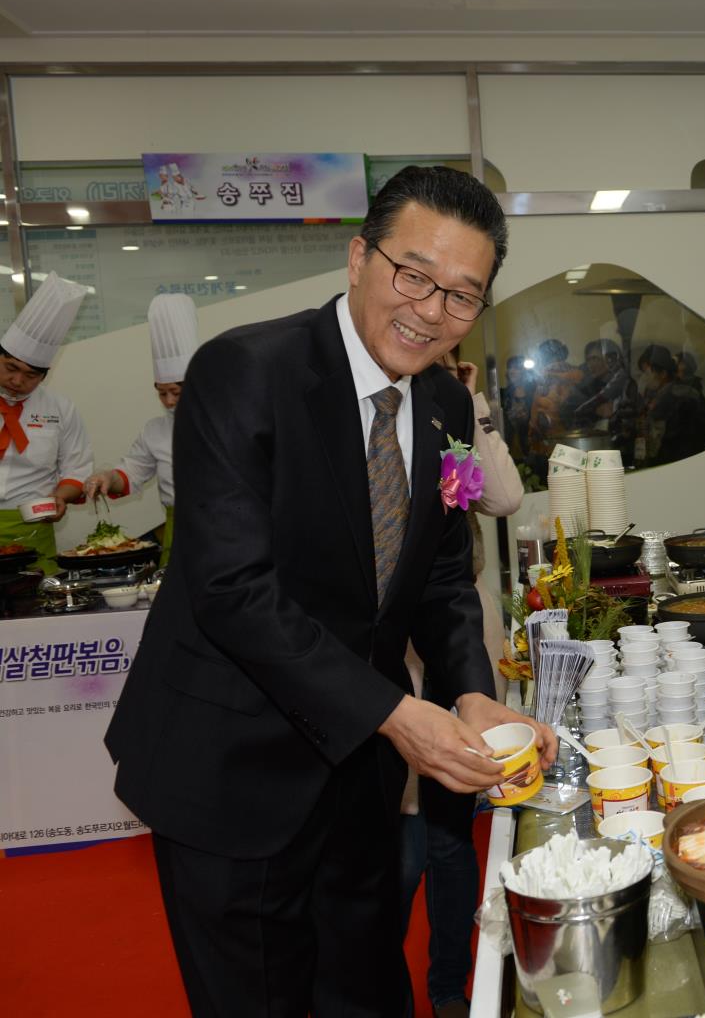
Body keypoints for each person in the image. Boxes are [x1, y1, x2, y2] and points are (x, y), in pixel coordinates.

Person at [104, 165, 556, 1018]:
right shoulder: (245, 372)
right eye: (412, 275)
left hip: (358, 777)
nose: (430, 311)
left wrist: (467, 689)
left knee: (366, 987)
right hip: (229, 769)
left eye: (462, 296)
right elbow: (233, 589)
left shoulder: (446, 412)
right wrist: (395, 711)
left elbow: (446, 574)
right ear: (358, 257)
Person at [399, 344, 524, 1018]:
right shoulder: (377, 418)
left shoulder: (452, 418)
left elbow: (499, 497)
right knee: (395, 843)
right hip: (387, 664)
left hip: (452, 647)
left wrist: (470, 410)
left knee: (447, 832)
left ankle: (450, 986)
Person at [83, 293, 199, 568]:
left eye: (176, 393)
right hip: (179, 531)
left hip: (231, 530)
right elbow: (131, 472)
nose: (169, 402)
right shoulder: (155, 430)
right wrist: (107, 477)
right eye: (162, 394)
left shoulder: (230, 418)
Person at [0, 272, 93, 573]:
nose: (17, 381)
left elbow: (76, 468)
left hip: (33, 530)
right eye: (10, 368)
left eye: (31, 375)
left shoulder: (61, 408)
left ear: (44, 375)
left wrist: (61, 498)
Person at [637, 344, 705, 466]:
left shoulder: (678, 397)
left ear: (663, 374)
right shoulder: (660, 395)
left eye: (648, 373)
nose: (645, 379)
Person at [564, 338, 638, 459]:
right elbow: (571, 412)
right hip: (594, 451)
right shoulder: (587, 388)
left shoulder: (626, 383)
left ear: (611, 359)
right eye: (588, 359)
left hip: (623, 452)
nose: (591, 364)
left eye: (595, 358)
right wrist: (595, 410)